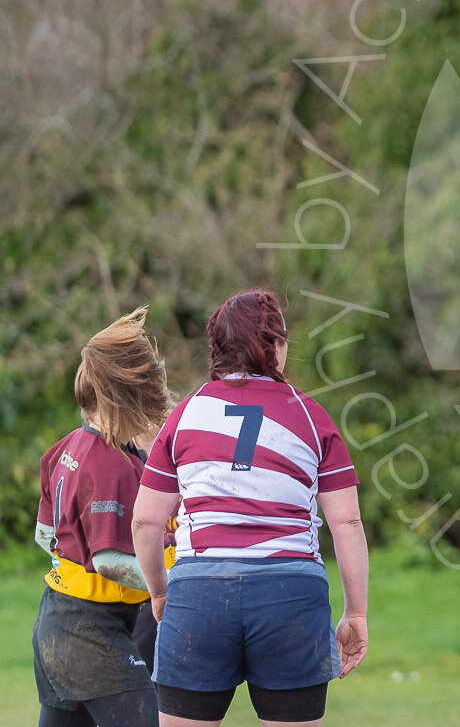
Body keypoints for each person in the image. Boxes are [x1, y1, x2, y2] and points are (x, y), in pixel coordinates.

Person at [131, 290, 369, 727]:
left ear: (217, 349)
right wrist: (356, 613)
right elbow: (347, 522)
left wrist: (161, 592)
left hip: (199, 596)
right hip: (290, 597)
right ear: (276, 346)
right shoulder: (312, 416)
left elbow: (146, 520)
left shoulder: (185, 414)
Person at [33, 307, 171, 727]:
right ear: (127, 393)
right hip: (92, 632)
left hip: (54, 622)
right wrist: (169, 576)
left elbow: (44, 535)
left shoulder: (65, 447)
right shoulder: (110, 465)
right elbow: (109, 560)